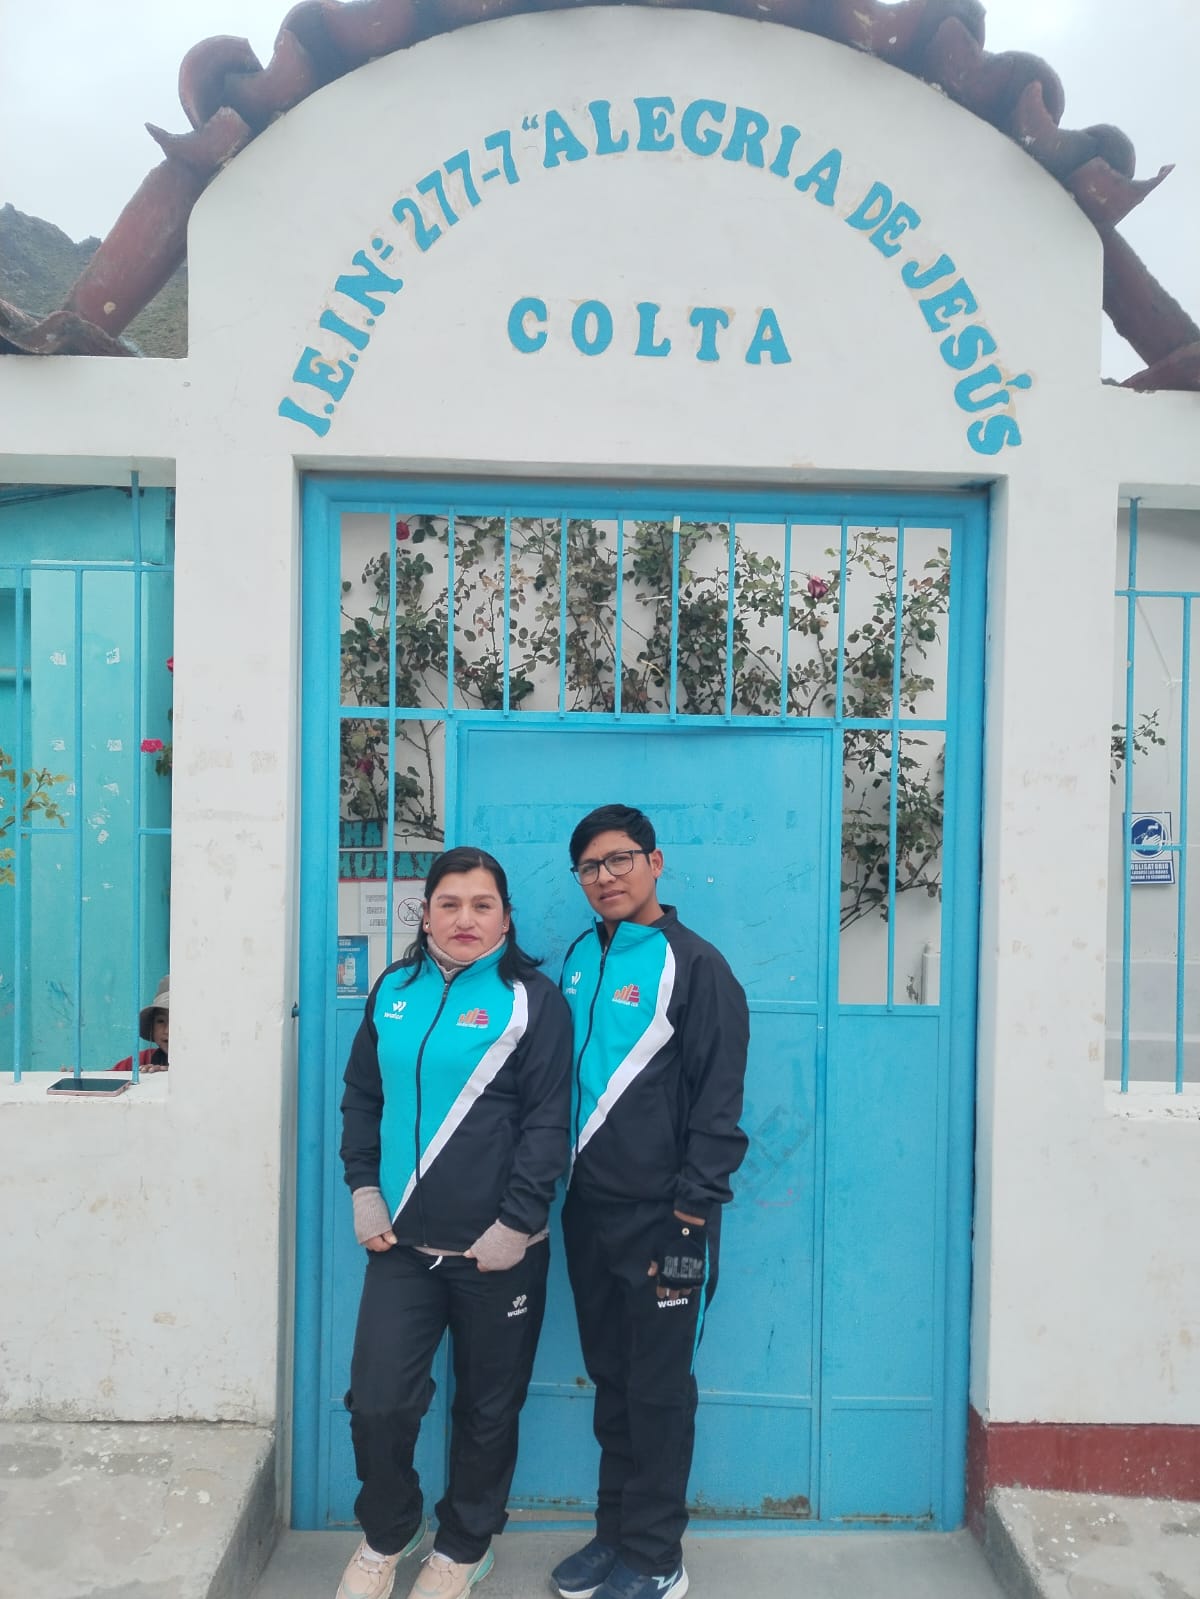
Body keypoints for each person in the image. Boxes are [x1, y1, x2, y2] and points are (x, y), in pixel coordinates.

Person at [337, 847, 573, 1599]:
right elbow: (362, 1097)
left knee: (487, 1409)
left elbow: (548, 1122)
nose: (465, 918)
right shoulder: (393, 990)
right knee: (378, 1403)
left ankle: (465, 1545)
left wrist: (518, 1222)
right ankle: (391, 1528)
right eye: (449, 903)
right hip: (402, 1247)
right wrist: (364, 1189)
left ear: (505, 917)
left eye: (481, 904)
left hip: (500, 1251)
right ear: (426, 913)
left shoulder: (534, 1001)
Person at [551, 805, 750, 1599]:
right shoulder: (579, 958)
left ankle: (658, 1554)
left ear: (655, 862)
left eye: (620, 859)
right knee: (612, 1378)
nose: (605, 876)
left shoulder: (697, 966)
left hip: (670, 1220)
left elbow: (719, 1105)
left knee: (661, 1389)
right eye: (590, 866)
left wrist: (692, 1217)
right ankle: (616, 1535)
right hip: (587, 1212)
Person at [110, 974, 169, 1072]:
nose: (167, 1030)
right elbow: (106, 1078)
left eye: (176, 1021)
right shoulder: (141, 1060)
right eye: (160, 1021)